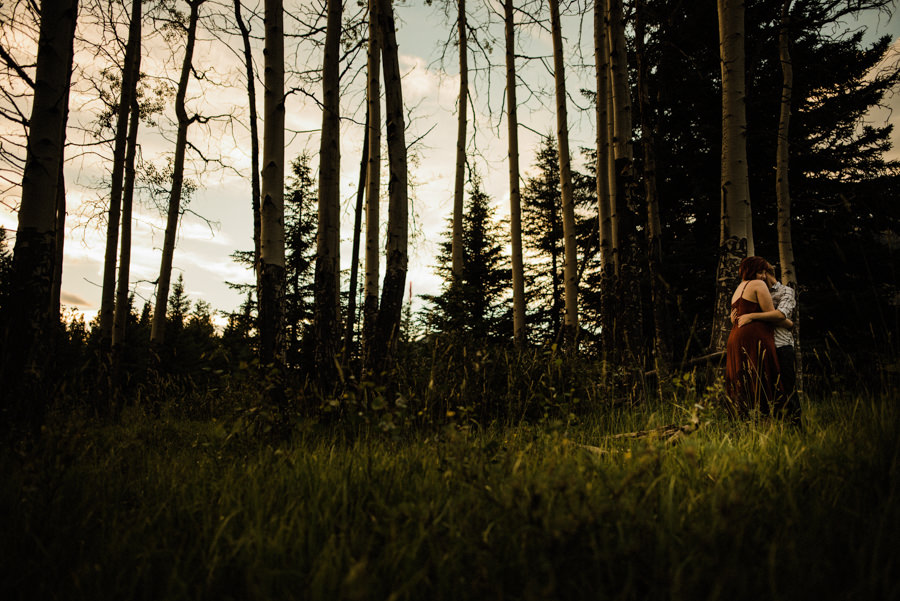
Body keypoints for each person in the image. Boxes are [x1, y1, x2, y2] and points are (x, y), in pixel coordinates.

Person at [725, 256, 789, 418]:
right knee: (762, 376)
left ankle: (744, 418)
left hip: (735, 336)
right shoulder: (758, 284)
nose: (763, 276)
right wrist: (790, 324)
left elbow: (737, 314)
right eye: (760, 272)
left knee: (743, 378)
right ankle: (769, 418)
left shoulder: (739, 288)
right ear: (752, 271)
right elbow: (771, 315)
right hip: (754, 336)